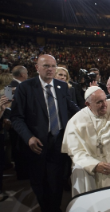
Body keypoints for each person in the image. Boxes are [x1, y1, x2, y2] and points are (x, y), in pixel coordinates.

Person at [10, 54, 80, 212]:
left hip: (59, 142)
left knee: (57, 181)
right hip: (37, 144)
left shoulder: (62, 87)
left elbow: (73, 108)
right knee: (39, 182)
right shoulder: (24, 87)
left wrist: (91, 113)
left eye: (53, 66)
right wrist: (28, 138)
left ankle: (54, 208)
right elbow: (16, 117)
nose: (50, 69)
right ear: (37, 68)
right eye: (46, 66)